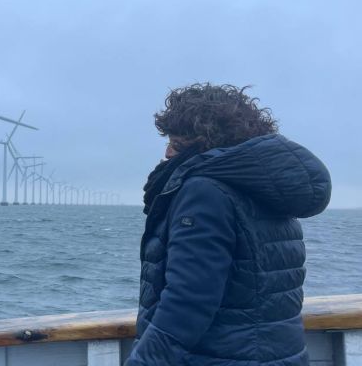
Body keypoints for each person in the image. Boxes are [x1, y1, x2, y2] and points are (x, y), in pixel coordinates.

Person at [125, 83, 332, 365]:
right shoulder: (264, 189)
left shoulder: (204, 191)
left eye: (174, 143)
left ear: (201, 142)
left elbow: (188, 303)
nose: (167, 154)